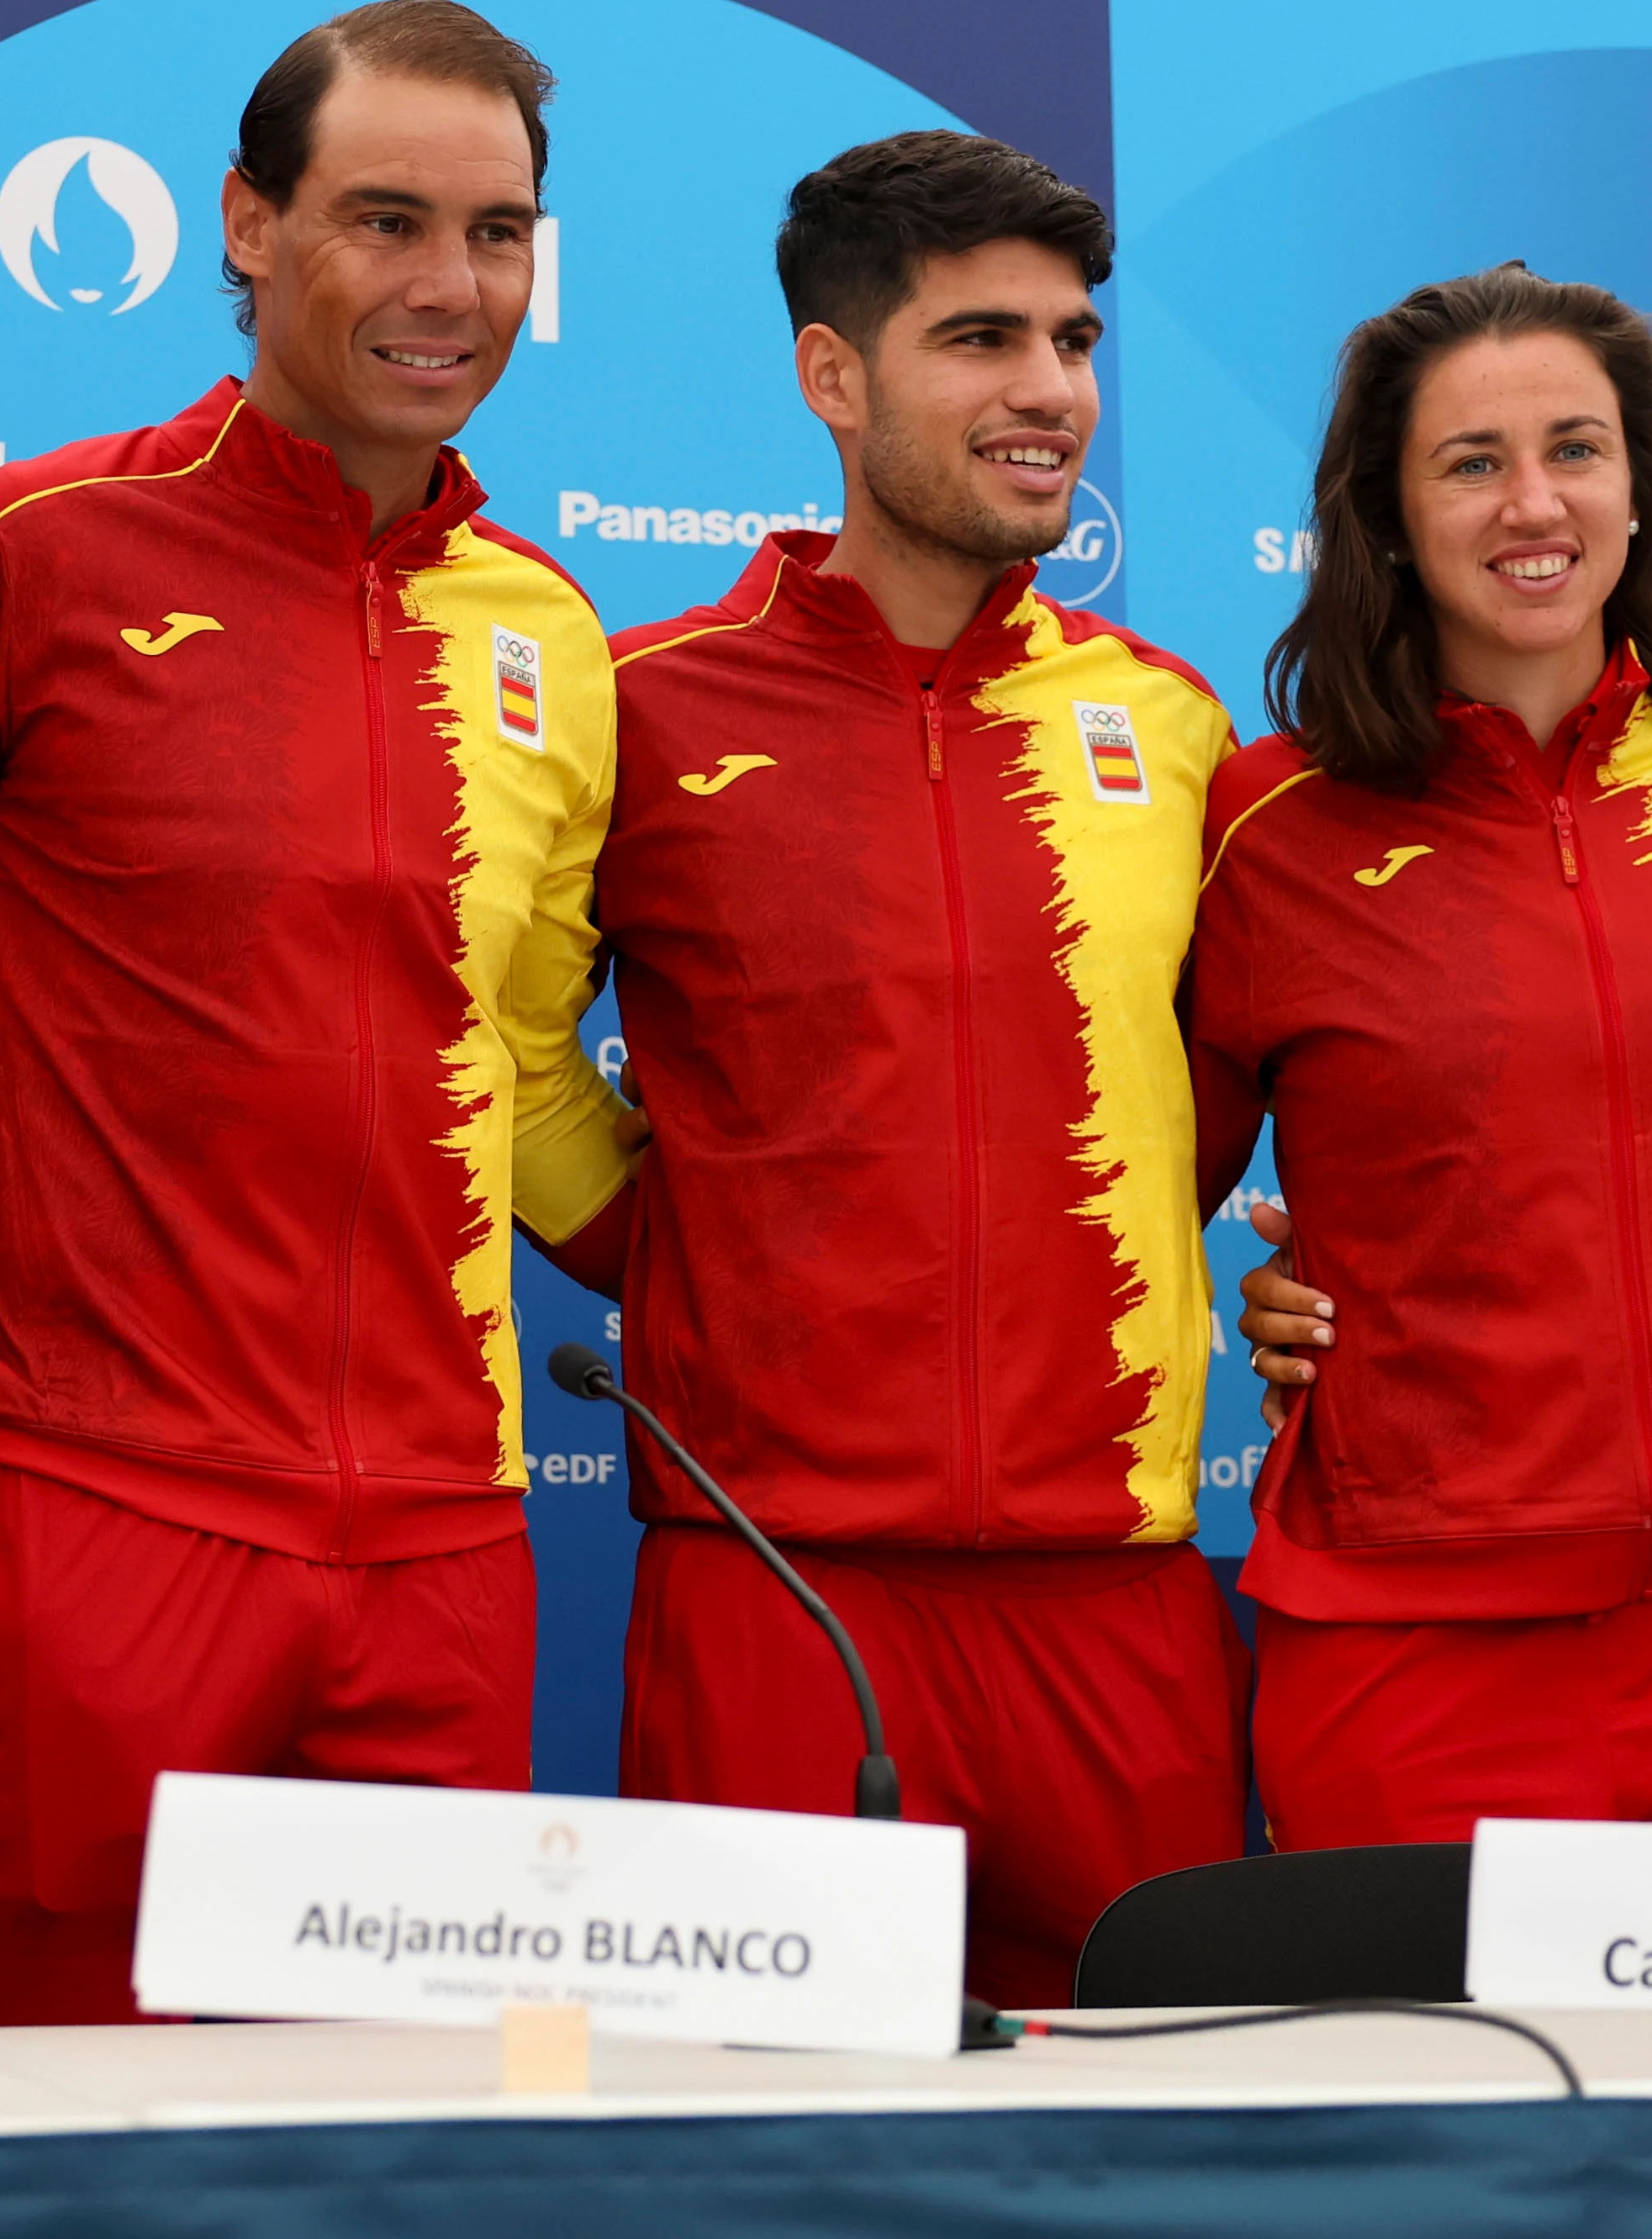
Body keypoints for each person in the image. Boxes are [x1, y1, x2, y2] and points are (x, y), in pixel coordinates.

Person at [0, 0, 636, 2031]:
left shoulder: (549, 630)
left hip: (448, 1540)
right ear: (249, 225)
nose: (452, 288)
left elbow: (526, 1081)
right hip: (97, 1515)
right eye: (384, 218)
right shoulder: (25, 554)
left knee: (403, 2173)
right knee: (38, 2151)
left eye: (500, 231)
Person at [537, 131, 1243, 2009]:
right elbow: (513, 1053)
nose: (1047, 392)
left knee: (1164, 2134)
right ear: (832, 377)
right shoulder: (650, 702)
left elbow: (1225, 1080)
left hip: (1116, 1589)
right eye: (982, 339)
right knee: (756, 2158)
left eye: (1074, 342)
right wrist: (694, 1257)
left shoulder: (1170, 725)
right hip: (775, 1583)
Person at [1189, 264, 1652, 1846]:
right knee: (1421, 2096)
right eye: (1471, 462)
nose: (1533, 503)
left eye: (1576, 448)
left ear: (1641, 491)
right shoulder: (1272, 822)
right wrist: (1272, 1286)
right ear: (1386, 516)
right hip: (1408, 1633)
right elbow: (1143, 1181)